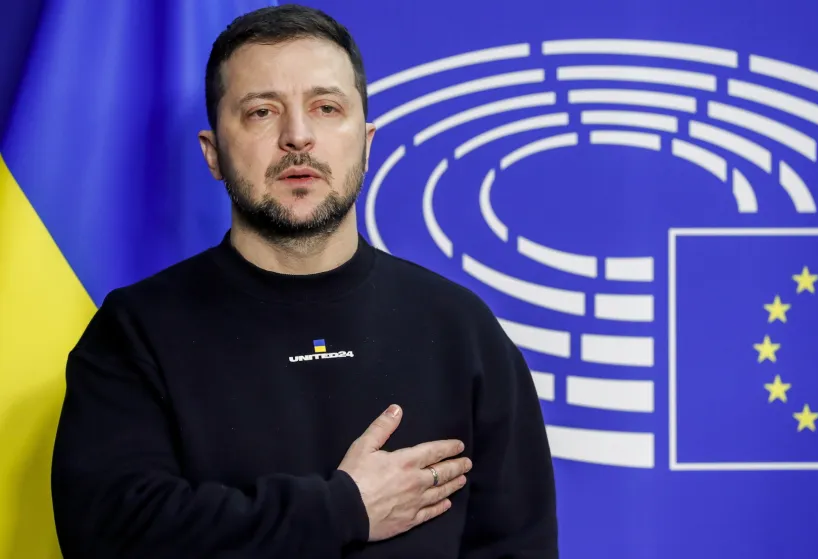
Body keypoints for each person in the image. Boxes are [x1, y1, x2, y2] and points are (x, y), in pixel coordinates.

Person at [49, 4, 558, 558]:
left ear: (365, 141)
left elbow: (519, 546)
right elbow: (109, 536)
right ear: (213, 152)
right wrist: (342, 509)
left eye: (325, 107)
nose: (297, 136)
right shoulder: (135, 331)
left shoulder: (463, 330)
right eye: (262, 112)